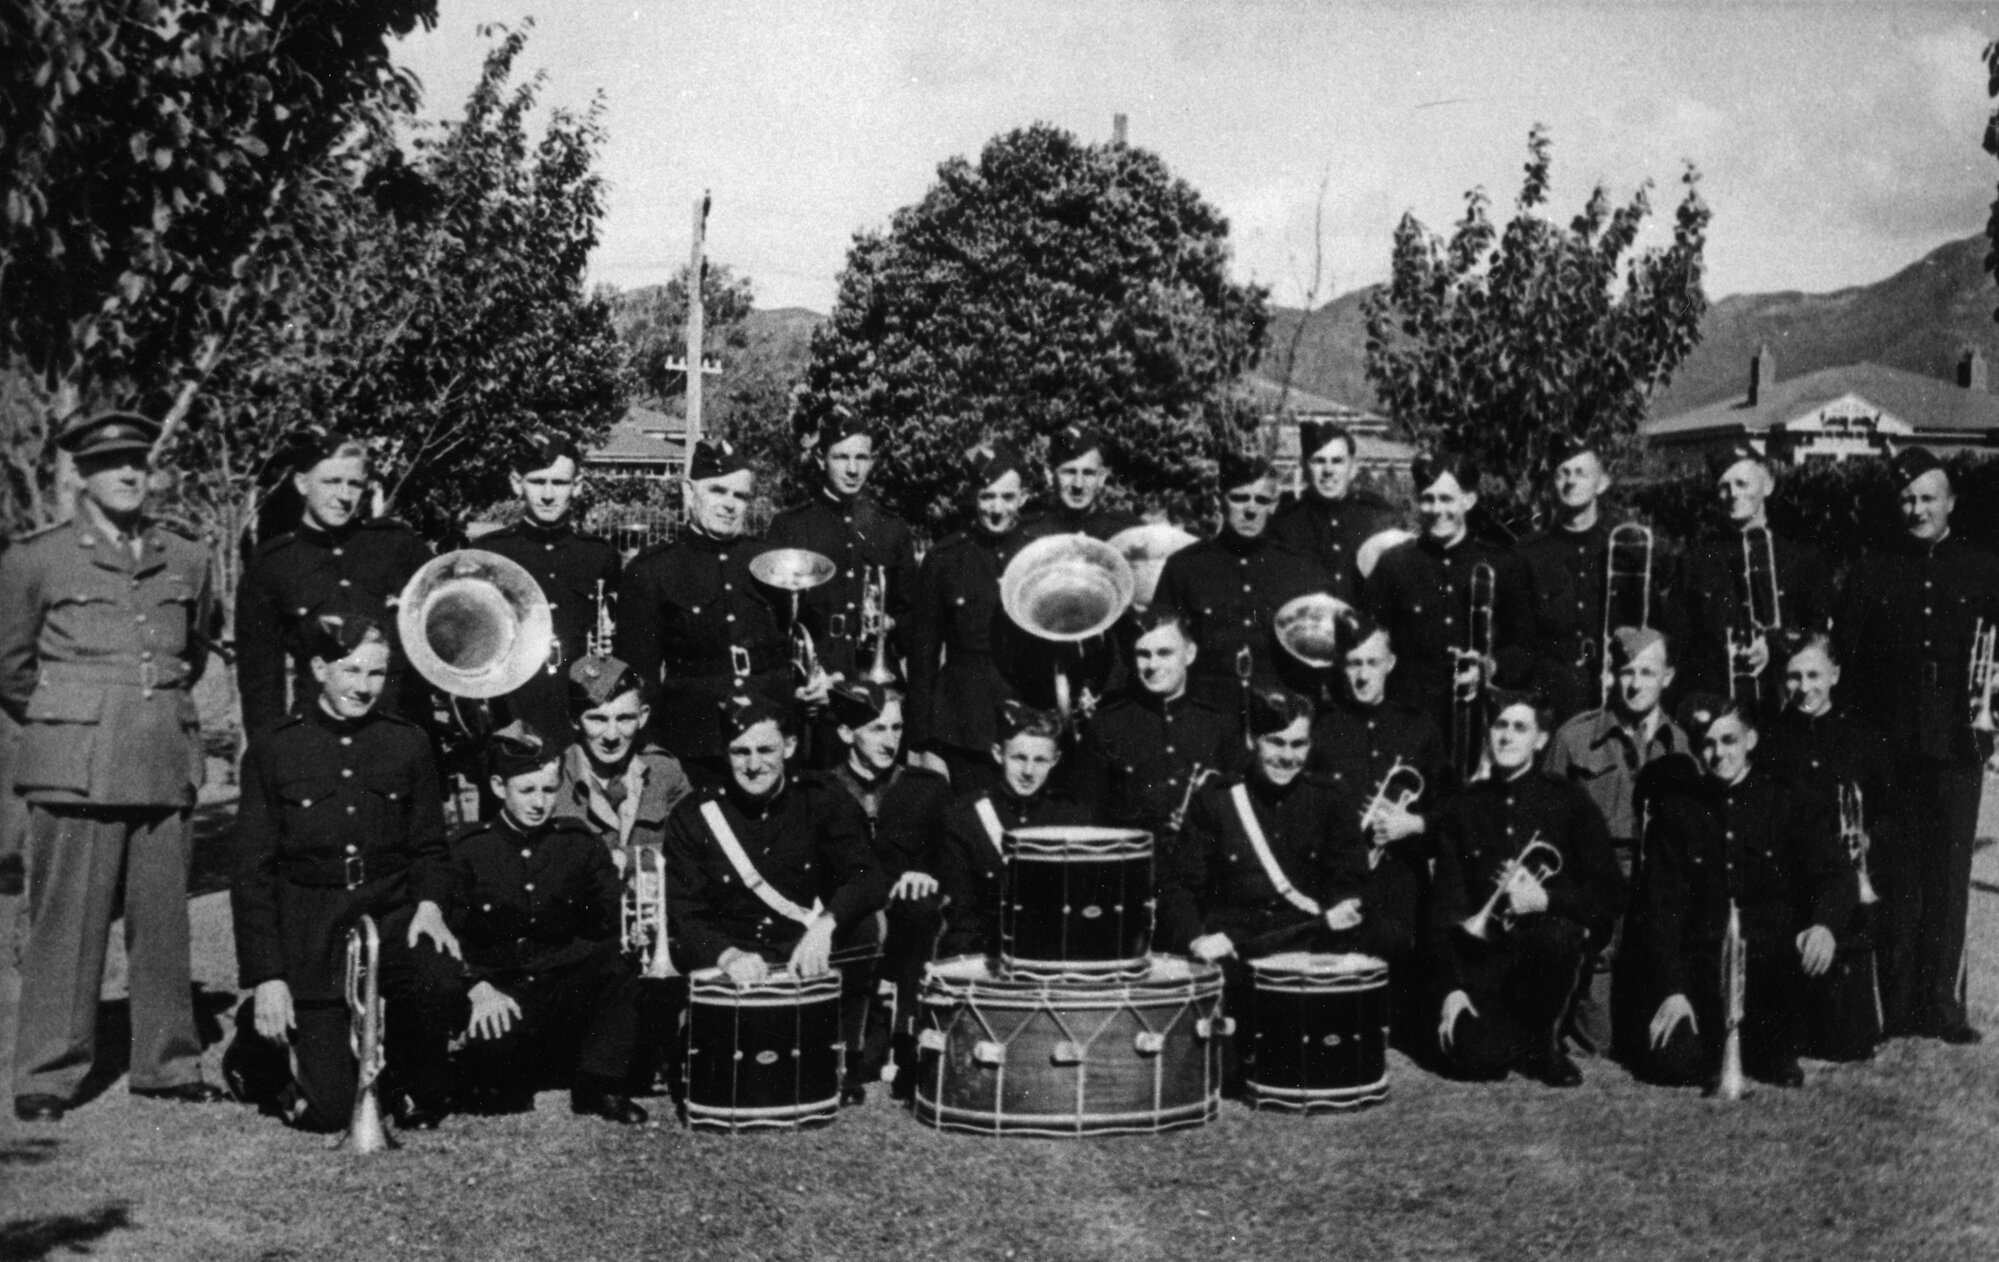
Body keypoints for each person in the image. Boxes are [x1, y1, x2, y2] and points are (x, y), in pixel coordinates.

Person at [0, 412, 227, 1123]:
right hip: (77, 762)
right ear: (80, 476)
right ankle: (48, 1072)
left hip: (161, 754)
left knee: (164, 923)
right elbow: (10, 666)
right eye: (112, 462)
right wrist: (80, 713)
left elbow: (192, 650)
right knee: (65, 923)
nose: (129, 473)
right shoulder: (35, 560)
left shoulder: (185, 557)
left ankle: (167, 1063)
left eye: (138, 459)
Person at [226, 614, 462, 1132]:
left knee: (438, 973)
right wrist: (268, 976)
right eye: (351, 669)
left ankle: (405, 1076)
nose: (363, 686)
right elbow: (253, 873)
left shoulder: (408, 743)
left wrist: (429, 905)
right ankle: (258, 1038)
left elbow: (429, 846)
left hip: (391, 913)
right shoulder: (274, 749)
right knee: (329, 1112)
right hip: (313, 930)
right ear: (318, 668)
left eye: (377, 673)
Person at [1834, 446, 1999, 1043]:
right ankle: (1897, 1006)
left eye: (1928, 497)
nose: (1917, 508)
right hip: (1888, 746)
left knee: (1949, 877)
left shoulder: (1984, 569)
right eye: (1907, 498)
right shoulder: (1872, 570)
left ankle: (1943, 1007)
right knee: (1896, 874)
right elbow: (1846, 666)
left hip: (1959, 744)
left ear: (1950, 501)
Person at [662, 694, 888, 1099]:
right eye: (740, 751)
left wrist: (826, 924)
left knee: (864, 925)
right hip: (731, 955)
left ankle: (841, 1056)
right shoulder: (695, 814)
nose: (753, 764)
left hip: (800, 949)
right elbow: (685, 912)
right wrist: (726, 956)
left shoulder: (820, 797)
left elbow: (867, 876)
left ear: (789, 746)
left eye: (765, 749)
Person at [1628, 695, 1856, 1089]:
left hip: (1772, 970)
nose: (1718, 754)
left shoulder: (1784, 800)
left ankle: (1769, 1047)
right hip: (1703, 970)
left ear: (1750, 740)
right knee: (1672, 1066)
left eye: (1729, 740)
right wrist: (1673, 990)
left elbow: (1837, 875)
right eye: (1708, 744)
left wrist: (1824, 927)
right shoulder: (1679, 811)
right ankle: (1729, 1045)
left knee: (1794, 1054)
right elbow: (1660, 910)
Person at [447, 723, 648, 1124]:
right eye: (527, 791)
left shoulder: (578, 842)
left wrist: (635, 932)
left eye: (548, 790)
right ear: (499, 787)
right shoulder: (468, 851)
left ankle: (600, 1085)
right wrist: (475, 986)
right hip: (504, 992)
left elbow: (609, 920)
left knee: (619, 960)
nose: (540, 803)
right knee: (501, 1095)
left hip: (567, 989)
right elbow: (448, 937)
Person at [1431, 692, 1624, 1087]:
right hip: (1484, 965)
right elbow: (1444, 907)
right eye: (1500, 726)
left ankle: (1542, 1045)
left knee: (1556, 934)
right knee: (1481, 1062)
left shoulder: (1568, 800)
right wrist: (1451, 989)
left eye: (1520, 727)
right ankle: (1502, 1035)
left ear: (1540, 740)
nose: (1506, 737)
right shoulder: (1464, 807)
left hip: (1543, 961)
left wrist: (1546, 899)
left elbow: (1610, 892)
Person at [1162, 687, 1415, 969]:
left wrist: (1343, 906)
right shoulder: (1216, 801)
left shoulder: (1330, 798)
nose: (1287, 756)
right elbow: (1181, 887)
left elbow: (1349, 878)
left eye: (1298, 745)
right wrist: (1196, 940)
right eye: (1276, 742)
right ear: (1252, 740)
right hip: (1237, 950)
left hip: (1310, 941)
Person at [617, 439, 814, 785]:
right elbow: (639, 678)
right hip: (697, 740)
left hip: (769, 732)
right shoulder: (652, 570)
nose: (729, 505)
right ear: (689, 491)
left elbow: (794, 645)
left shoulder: (769, 562)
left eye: (739, 496)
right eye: (718, 491)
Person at [1542, 626, 1693, 1059]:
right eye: (1626, 671)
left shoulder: (1682, 746)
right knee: (1599, 1043)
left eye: (1648, 672)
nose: (1635, 683)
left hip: (1658, 886)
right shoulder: (1573, 739)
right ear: (1611, 675)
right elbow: (1548, 825)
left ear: (1667, 678)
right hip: (1597, 885)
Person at [236, 428, 433, 735]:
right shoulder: (272, 565)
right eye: (331, 482)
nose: (344, 496)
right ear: (302, 483)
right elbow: (260, 686)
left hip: (403, 737)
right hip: (318, 741)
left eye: (354, 484)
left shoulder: (399, 546)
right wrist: (271, 761)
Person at [1760, 632, 1894, 1061]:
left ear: (1834, 675)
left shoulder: (1862, 737)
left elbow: (1891, 812)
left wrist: (1869, 837)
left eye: (1814, 674)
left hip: (1849, 893)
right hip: (1792, 890)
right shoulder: (1771, 740)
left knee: (1850, 1045)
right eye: (1794, 677)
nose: (1804, 687)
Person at [1364, 451, 1532, 784]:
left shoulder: (1503, 564)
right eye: (1427, 499)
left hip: (1481, 727)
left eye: (1446, 498)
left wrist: (1490, 667)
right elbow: (1372, 645)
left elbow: (1525, 648)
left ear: (1468, 500)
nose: (1436, 509)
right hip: (1411, 724)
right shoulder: (1393, 566)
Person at [764, 409, 921, 767]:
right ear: (821, 459)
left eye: (861, 457)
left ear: (872, 461)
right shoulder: (791, 527)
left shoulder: (891, 529)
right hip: (819, 683)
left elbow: (913, 614)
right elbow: (773, 621)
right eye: (841, 457)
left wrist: (892, 624)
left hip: (876, 680)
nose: (853, 469)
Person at [1153, 448, 1338, 740]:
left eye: (1261, 499)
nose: (1250, 509)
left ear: (1274, 504)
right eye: (1239, 497)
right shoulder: (1184, 568)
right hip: (1207, 721)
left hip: (1282, 724)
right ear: (1219, 500)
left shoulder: (1303, 572)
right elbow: (1160, 645)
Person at [822, 680, 954, 1087]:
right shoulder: (822, 791)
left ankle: (910, 1040)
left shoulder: (926, 789)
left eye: (896, 729)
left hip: (907, 922)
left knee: (921, 907)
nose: (890, 740)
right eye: (877, 729)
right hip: (848, 922)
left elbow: (950, 860)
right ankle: (847, 1050)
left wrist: (928, 875)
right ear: (846, 733)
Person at [469, 434, 622, 742]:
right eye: (537, 482)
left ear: (577, 486)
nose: (549, 494)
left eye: (560, 483)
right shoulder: (490, 553)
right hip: (510, 709)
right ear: (516, 482)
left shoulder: (599, 555)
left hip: (581, 711)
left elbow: (613, 644)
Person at [1515, 437, 1676, 725]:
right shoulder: (1527, 554)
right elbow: (1515, 641)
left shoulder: (1627, 551)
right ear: (1552, 483)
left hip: (1617, 698)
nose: (1571, 481)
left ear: (1601, 483)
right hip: (1550, 703)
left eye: (1581, 473)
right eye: (1563, 473)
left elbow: (1653, 629)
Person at [905, 442, 1035, 793]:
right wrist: (922, 742)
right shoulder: (944, 559)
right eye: (987, 497)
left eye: (1008, 498)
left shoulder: (1040, 555)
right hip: (963, 727)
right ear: (972, 496)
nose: (997, 509)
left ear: (1023, 497)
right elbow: (923, 657)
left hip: (1031, 721)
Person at [1676, 443, 1832, 709]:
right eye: (1724, 487)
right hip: (1720, 705)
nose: (1733, 494)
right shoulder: (1696, 563)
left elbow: (1818, 634)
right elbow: (1681, 643)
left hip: (1786, 704)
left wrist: (1774, 646)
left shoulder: (1802, 559)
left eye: (1742, 483)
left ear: (1767, 485)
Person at [935, 702, 1092, 959]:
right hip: (990, 956)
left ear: (1055, 760)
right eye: (1019, 758)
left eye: (1040, 760)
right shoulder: (965, 820)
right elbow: (962, 919)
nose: (1028, 771)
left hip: (1059, 955)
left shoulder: (1072, 818)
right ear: (998, 754)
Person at [1071, 608, 1242, 842]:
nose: (1153, 665)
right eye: (1143, 654)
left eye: (1164, 653)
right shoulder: (1106, 726)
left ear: (1189, 654)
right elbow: (1088, 816)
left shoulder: (1220, 725)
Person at [1307, 616, 1447, 876]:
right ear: (1341, 666)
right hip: (1338, 878)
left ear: (1390, 664)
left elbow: (1450, 807)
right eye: (1354, 663)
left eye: (1373, 663)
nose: (1363, 675)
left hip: (1402, 877)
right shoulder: (1320, 730)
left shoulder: (1419, 727)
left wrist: (1415, 823)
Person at [550, 655, 692, 868]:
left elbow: (693, 849)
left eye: (624, 719)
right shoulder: (552, 779)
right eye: (598, 719)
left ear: (642, 716)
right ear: (574, 719)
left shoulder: (665, 772)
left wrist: (625, 860)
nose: (611, 735)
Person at [1267, 420, 1399, 596]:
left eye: (1337, 461)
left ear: (1353, 468)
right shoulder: (1284, 523)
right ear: (1304, 467)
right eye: (1319, 461)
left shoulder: (1378, 516)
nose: (1328, 470)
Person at [1020, 423, 1142, 543]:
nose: (1078, 484)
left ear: (1101, 478)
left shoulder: (1127, 533)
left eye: (1088, 473)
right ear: (1050, 476)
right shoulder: (1029, 533)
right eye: (1069, 472)